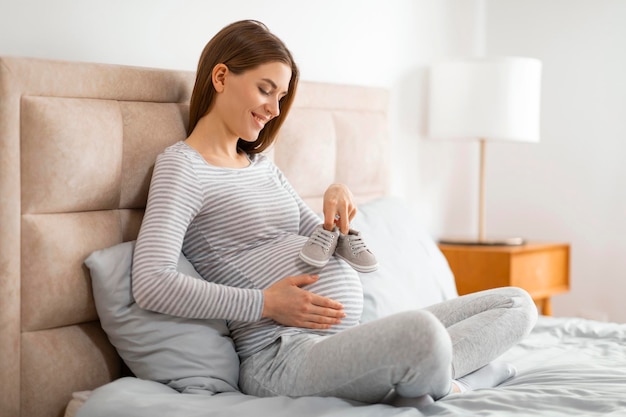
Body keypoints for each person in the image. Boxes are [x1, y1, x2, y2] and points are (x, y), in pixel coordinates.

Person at [132, 19, 538, 407]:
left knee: (517, 304)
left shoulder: (260, 165)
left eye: (281, 97)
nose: (274, 109)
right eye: (265, 89)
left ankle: (429, 377)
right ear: (221, 78)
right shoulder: (182, 167)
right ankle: (445, 380)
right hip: (280, 354)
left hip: (346, 339)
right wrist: (264, 304)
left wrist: (335, 200)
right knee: (422, 335)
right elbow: (151, 282)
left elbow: (333, 248)